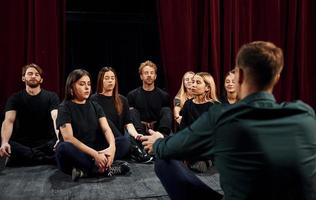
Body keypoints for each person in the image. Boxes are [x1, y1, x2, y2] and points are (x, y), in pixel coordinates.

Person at [141, 41, 316, 200]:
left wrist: (158, 142)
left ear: (238, 76)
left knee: (163, 162)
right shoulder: (305, 115)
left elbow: (168, 149)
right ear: (277, 77)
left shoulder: (221, 115)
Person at [55, 69, 130, 181]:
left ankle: (86, 171)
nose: (87, 87)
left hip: (96, 149)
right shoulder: (64, 107)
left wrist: (112, 149)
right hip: (79, 153)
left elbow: (106, 129)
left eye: (89, 84)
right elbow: (68, 138)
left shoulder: (95, 106)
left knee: (124, 142)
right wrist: (95, 155)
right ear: (71, 87)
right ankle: (106, 169)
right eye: (82, 84)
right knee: (63, 148)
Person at [0, 63, 59, 169]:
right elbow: (8, 121)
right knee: (9, 144)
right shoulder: (14, 98)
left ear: (41, 80)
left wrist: (59, 138)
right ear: (23, 78)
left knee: (57, 144)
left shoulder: (51, 97)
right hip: (22, 143)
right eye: (30, 73)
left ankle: (23, 158)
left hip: (45, 142)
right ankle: (45, 159)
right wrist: (4, 142)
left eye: (37, 74)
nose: (33, 76)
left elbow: (55, 117)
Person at [90, 67, 153, 163]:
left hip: (120, 142)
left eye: (112, 78)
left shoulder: (122, 100)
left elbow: (128, 123)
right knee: (104, 120)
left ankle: (134, 148)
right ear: (101, 80)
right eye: (107, 78)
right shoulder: (93, 100)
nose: (110, 81)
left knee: (127, 141)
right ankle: (134, 149)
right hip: (103, 141)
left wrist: (136, 134)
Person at [179, 72, 220, 173]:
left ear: (207, 88)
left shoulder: (214, 106)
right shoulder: (188, 104)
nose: (193, 85)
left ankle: (206, 161)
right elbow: (183, 127)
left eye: (198, 82)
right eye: (192, 82)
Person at [127, 60, 172, 136]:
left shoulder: (164, 95)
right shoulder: (132, 95)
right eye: (146, 73)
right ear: (141, 76)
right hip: (139, 131)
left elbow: (166, 117)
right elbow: (130, 119)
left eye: (152, 73)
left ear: (155, 76)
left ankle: (162, 136)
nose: (149, 75)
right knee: (132, 111)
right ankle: (140, 138)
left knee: (166, 110)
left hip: (159, 131)